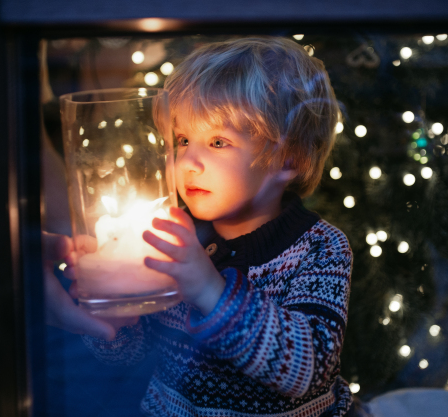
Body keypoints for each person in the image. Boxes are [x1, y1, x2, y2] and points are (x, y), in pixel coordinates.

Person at [70, 37, 358, 416]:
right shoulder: (170, 237)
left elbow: (305, 372)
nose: (188, 161)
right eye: (183, 139)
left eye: (218, 142)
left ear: (288, 158)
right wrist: (112, 316)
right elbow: (128, 355)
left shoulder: (320, 248)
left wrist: (209, 287)